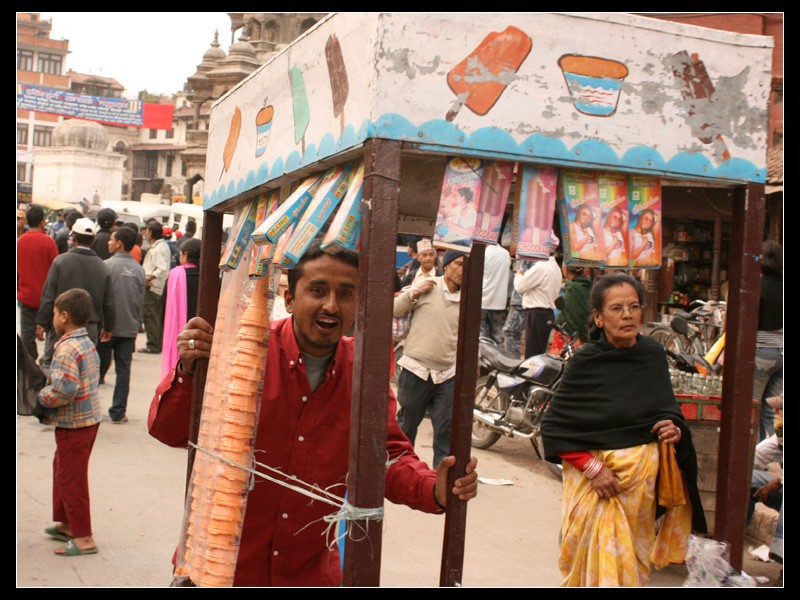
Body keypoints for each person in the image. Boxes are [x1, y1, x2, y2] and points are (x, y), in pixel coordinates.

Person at [148, 239, 478, 586]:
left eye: (346, 294)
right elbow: (169, 432)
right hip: (217, 567)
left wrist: (434, 489)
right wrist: (187, 370)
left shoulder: (364, 374)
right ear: (289, 299)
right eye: (317, 290)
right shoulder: (242, 350)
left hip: (306, 573)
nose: (331, 306)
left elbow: (386, 458)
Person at [541, 272, 706, 587]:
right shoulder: (585, 362)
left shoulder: (652, 355)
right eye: (617, 308)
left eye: (634, 306)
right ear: (599, 318)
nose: (628, 314)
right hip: (596, 486)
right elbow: (554, 429)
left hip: (638, 494)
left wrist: (674, 428)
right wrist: (594, 468)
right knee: (588, 570)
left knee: (631, 568)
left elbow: (666, 409)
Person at [38, 288, 102, 557]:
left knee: (72, 478)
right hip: (86, 419)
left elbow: (65, 389)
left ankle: (84, 536)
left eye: (54, 313)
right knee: (62, 470)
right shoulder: (85, 341)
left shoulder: (66, 348)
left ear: (64, 316)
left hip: (75, 423)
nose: (52, 317)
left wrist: (42, 397)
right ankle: (66, 524)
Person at [393, 249, 464, 468]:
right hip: (416, 370)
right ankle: (400, 469)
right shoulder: (427, 286)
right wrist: (413, 293)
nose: (463, 270)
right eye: (459, 264)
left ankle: (440, 478)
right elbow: (395, 310)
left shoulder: (468, 297)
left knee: (445, 431)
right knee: (407, 426)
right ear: (446, 266)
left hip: (448, 374)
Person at [36, 218, 115, 365]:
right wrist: (109, 327)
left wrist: (41, 323)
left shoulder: (60, 262)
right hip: (90, 328)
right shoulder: (103, 267)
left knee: (53, 365)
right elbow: (109, 302)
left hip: (61, 325)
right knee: (84, 367)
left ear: (74, 238)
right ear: (93, 240)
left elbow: (48, 295)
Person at [99, 227, 145, 423]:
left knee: (97, 369)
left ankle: (90, 408)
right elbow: (139, 301)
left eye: (111, 239)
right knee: (123, 371)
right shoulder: (139, 270)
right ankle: (118, 412)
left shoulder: (105, 266)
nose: (109, 242)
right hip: (128, 328)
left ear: (119, 244)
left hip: (106, 329)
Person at [17, 205, 59, 361]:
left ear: (27, 221)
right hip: (47, 298)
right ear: (43, 222)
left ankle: (29, 365)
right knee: (51, 333)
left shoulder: (19, 242)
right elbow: (56, 269)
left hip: (26, 297)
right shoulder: (49, 242)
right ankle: (47, 361)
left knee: (27, 335)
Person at [514, 232, 563, 358]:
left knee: (532, 355)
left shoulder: (541, 267)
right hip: (546, 313)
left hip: (536, 313)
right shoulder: (556, 267)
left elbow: (520, 286)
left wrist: (519, 273)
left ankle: (532, 378)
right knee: (538, 353)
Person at [747, 393, 782, 565]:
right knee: (746, 478)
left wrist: (778, 481)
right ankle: (732, 541)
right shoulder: (781, 434)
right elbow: (756, 456)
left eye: (780, 409)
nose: (776, 412)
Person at [753, 240, 782, 442]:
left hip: (762, 351)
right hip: (782, 353)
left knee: (752, 406)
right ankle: (770, 456)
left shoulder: (758, 287)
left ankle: (752, 459)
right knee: (771, 411)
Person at [160, 237, 201, 379]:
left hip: (179, 334)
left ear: (186, 254)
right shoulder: (210, 277)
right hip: (201, 335)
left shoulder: (175, 275)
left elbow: (163, 305)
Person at [139, 221, 171, 354]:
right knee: (155, 315)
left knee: (150, 315)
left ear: (150, 232)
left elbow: (162, 268)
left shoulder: (158, 248)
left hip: (153, 287)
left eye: (147, 230)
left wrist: (149, 278)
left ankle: (153, 344)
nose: (146, 233)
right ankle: (156, 343)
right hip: (156, 286)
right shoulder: (161, 246)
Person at [480, 243, 511, 345]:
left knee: (481, 337)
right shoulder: (506, 254)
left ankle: (482, 360)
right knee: (497, 337)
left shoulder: (483, 253)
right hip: (499, 301)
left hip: (482, 300)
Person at [502, 258, 532, 358]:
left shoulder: (529, 257)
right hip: (523, 300)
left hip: (520, 300)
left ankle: (511, 362)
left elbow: (521, 283)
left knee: (511, 333)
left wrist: (519, 274)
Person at [554, 266, 592, 345]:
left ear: (565, 269)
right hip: (579, 335)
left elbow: (576, 315)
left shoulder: (573, 288)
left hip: (570, 337)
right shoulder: (584, 286)